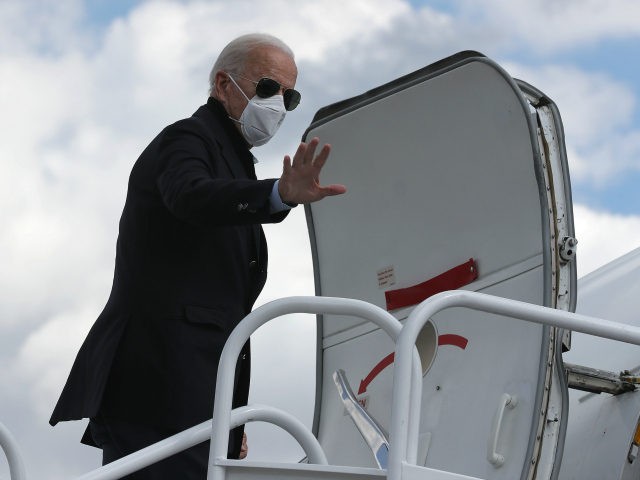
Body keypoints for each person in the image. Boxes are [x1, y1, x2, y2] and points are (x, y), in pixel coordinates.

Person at [49, 33, 346, 479]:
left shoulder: (232, 157)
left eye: (290, 96)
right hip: (159, 386)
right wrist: (277, 194)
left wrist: (228, 411)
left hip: (194, 395)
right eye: (268, 88)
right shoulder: (187, 139)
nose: (278, 105)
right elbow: (190, 195)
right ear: (224, 85)